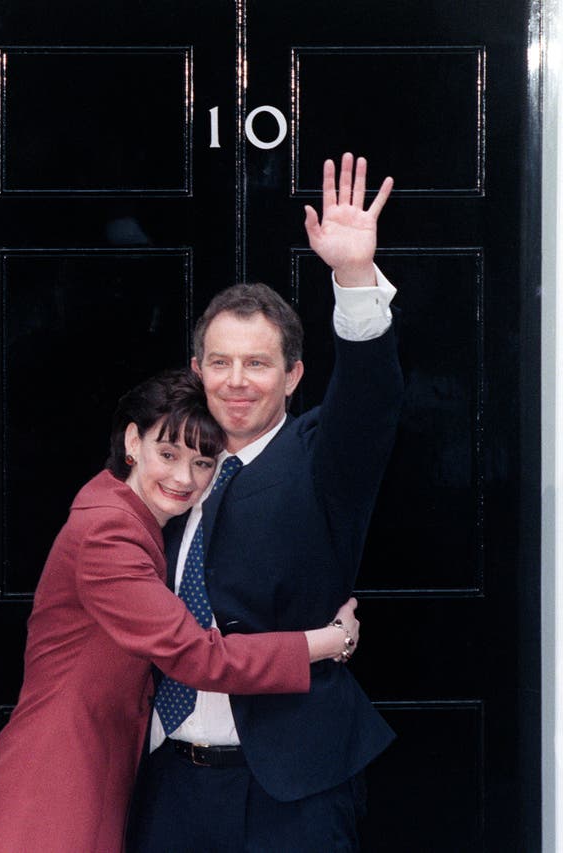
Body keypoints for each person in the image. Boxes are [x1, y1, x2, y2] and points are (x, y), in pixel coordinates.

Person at [0, 368, 360, 853]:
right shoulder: (109, 533)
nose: (181, 478)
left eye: (202, 463)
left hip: (103, 764)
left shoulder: (137, 518)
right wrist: (330, 639)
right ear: (133, 440)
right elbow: (198, 658)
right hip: (57, 771)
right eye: (167, 454)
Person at [129, 153, 404, 852]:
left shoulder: (322, 457)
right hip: (168, 779)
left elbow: (370, 397)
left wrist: (352, 275)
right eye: (219, 362)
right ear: (196, 371)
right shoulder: (165, 473)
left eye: (257, 363)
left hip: (293, 790)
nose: (236, 381)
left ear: (293, 375)